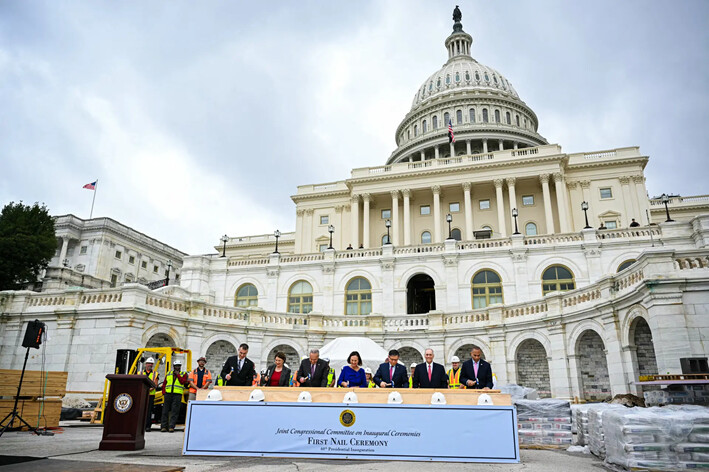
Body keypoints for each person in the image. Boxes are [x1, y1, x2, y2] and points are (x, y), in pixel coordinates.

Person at [161, 361, 188, 432]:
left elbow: (183, 382)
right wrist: (164, 392)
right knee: (165, 411)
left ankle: (171, 427)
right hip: (168, 394)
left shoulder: (183, 374)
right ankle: (163, 426)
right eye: (176, 366)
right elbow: (164, 383)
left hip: (177, 395)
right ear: (173, 366)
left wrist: (178, 375)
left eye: (179, 366)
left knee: (174, 411)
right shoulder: (169, 373)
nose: (177, 367)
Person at [141, 357, 159, 432]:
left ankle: (148, 426)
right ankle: (141, 426)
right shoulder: (140, 373)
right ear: (145, 364)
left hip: (150, 395)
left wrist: (148, 390)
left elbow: (155, 385)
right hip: (142, 395)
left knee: (149, 411)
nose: (150, 365)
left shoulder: (155, 374)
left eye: (151, 364)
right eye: (148, 363)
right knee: (141, 411)